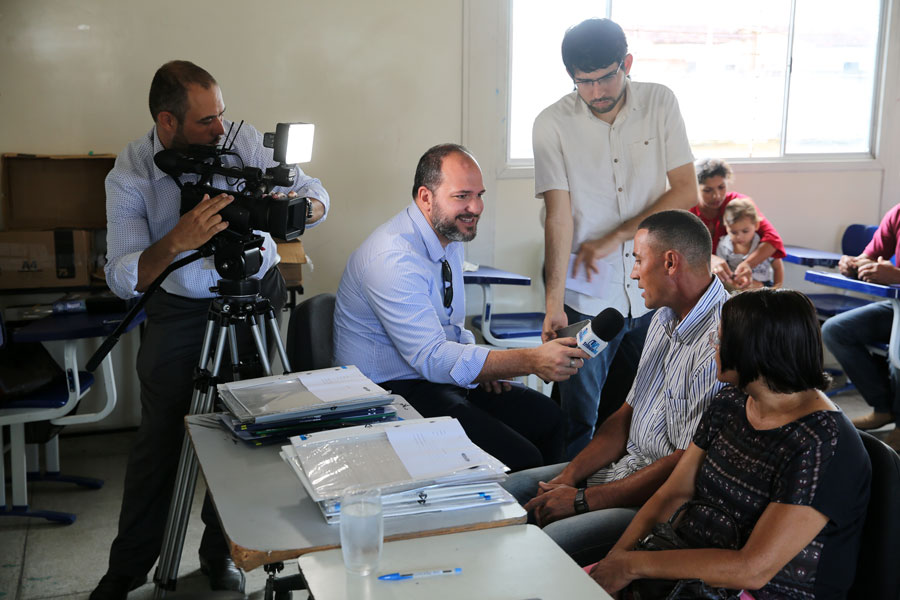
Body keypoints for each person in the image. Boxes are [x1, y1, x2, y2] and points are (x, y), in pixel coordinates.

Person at [93, 61, 330, 600]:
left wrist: (300, 207)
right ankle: (126, 569)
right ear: (167, 122)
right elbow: (122, 276)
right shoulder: (131, 169)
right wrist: (176, 240)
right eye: (206, 121)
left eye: (222, 113)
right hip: (179, 310)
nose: (221, 129)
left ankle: (219, 554)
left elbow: (315, 193)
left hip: (254, 293)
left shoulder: (243, 139)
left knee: (248, 436)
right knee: (160, 444)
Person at [591, 289, 871, 599]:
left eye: (721, 340)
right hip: (688, 568)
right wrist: (615, 563)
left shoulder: (823, 443)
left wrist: (633, 566)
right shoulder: (731, 402)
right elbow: (673, 493)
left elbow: (752, 569)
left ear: (755, 350)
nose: (714, 347)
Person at [333, 143, 588, 472]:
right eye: (462, 196)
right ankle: (510, 520)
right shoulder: (392, 258)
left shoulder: (447, 234)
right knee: (520, 457)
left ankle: (546, 514)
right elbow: (432, 358)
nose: (476, 207)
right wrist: (529, 361)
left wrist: (487, 370)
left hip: (429, 379)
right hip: (388, 392)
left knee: (551, 419)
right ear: (426, 197)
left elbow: (451, 329)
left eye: (479, 195)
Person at [503, 210, 729, 566]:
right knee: (509, 493)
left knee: (550, 541)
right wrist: (569, 476)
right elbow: (626, 416)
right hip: (624, 470)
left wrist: (580, 500)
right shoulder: (662, 318)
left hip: (661, 501)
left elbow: (685, 465)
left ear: (670, 262)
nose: (634, 273)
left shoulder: (721, 340)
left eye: (638, 260)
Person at [535, 18, 700, 459]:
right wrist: (553, 302)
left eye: (606, 76)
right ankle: (564, 500)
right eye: (583, 82)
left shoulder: (660, 102)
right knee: (577, 416)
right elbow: (558, 215)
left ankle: (621, 495)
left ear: (626, 63)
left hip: (651, 289)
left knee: (643, 409)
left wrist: (618, 236)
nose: (596, 91)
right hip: (587, 295)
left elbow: (686, 190)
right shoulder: (551, 123)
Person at [822, 203, 900, 451]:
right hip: (896, 306)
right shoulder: (897, 213)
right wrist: (854, 265)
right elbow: (869, 255)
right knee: (836, 331)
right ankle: (884, 408)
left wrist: (897, 276)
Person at [690, 158, 785, 289]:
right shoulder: (688, 210)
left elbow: (773, 240)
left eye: (721, 187)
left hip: (738, 279)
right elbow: (679, 248)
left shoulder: (739, 204)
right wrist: (709, 259)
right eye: (707, 190)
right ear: (695, 188)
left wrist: (747, 264)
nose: (716, 195)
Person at [716, 198, 784, 290]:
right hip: (736, 287)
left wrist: (777, 289)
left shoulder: (763, 245)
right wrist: (734, 283)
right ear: (726, 227)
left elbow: (778, 267)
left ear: (756, 225)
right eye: (733, 232)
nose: (739, 237)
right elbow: (722, 274)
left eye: (745, 231)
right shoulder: (724, 246)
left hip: (764, 286)